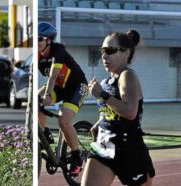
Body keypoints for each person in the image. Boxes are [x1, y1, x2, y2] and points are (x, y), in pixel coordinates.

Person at [82, 30, 155, 186]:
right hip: (104, 148)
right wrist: (100, 123)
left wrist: (102, 95)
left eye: (110, 51)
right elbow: (111, 111)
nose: (104, 56)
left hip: (129, 151)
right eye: (102, 51)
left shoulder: (127, 76)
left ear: (126, 52)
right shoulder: (106, 81)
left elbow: (130, 112)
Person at [38, 22, 88, 176]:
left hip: (77, 87)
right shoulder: (38, 55)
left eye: (40, 39)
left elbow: (53, 76)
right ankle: (45, 132)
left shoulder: (58, 50)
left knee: (63, 121)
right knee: (35, 101)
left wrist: (47, 95)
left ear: (49, 40)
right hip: (60, 87)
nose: (36, 42)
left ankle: (76, 157)